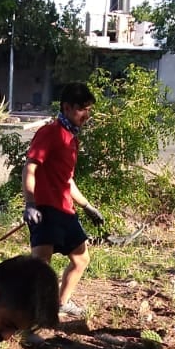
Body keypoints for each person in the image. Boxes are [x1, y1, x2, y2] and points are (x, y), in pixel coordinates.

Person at [23, 82, 104, 325]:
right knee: (41, 268)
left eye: (89, 109)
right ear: (67, 108)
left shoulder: (71, 139)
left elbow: (66, 179)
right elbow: (30, 167)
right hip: (45, 210)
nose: (87, 115)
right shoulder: (50, 133)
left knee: (81, 259)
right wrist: (30, 203)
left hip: (66, 212)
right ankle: (29, 319)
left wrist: (87, 206)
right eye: (82, 109)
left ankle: (61, 303)